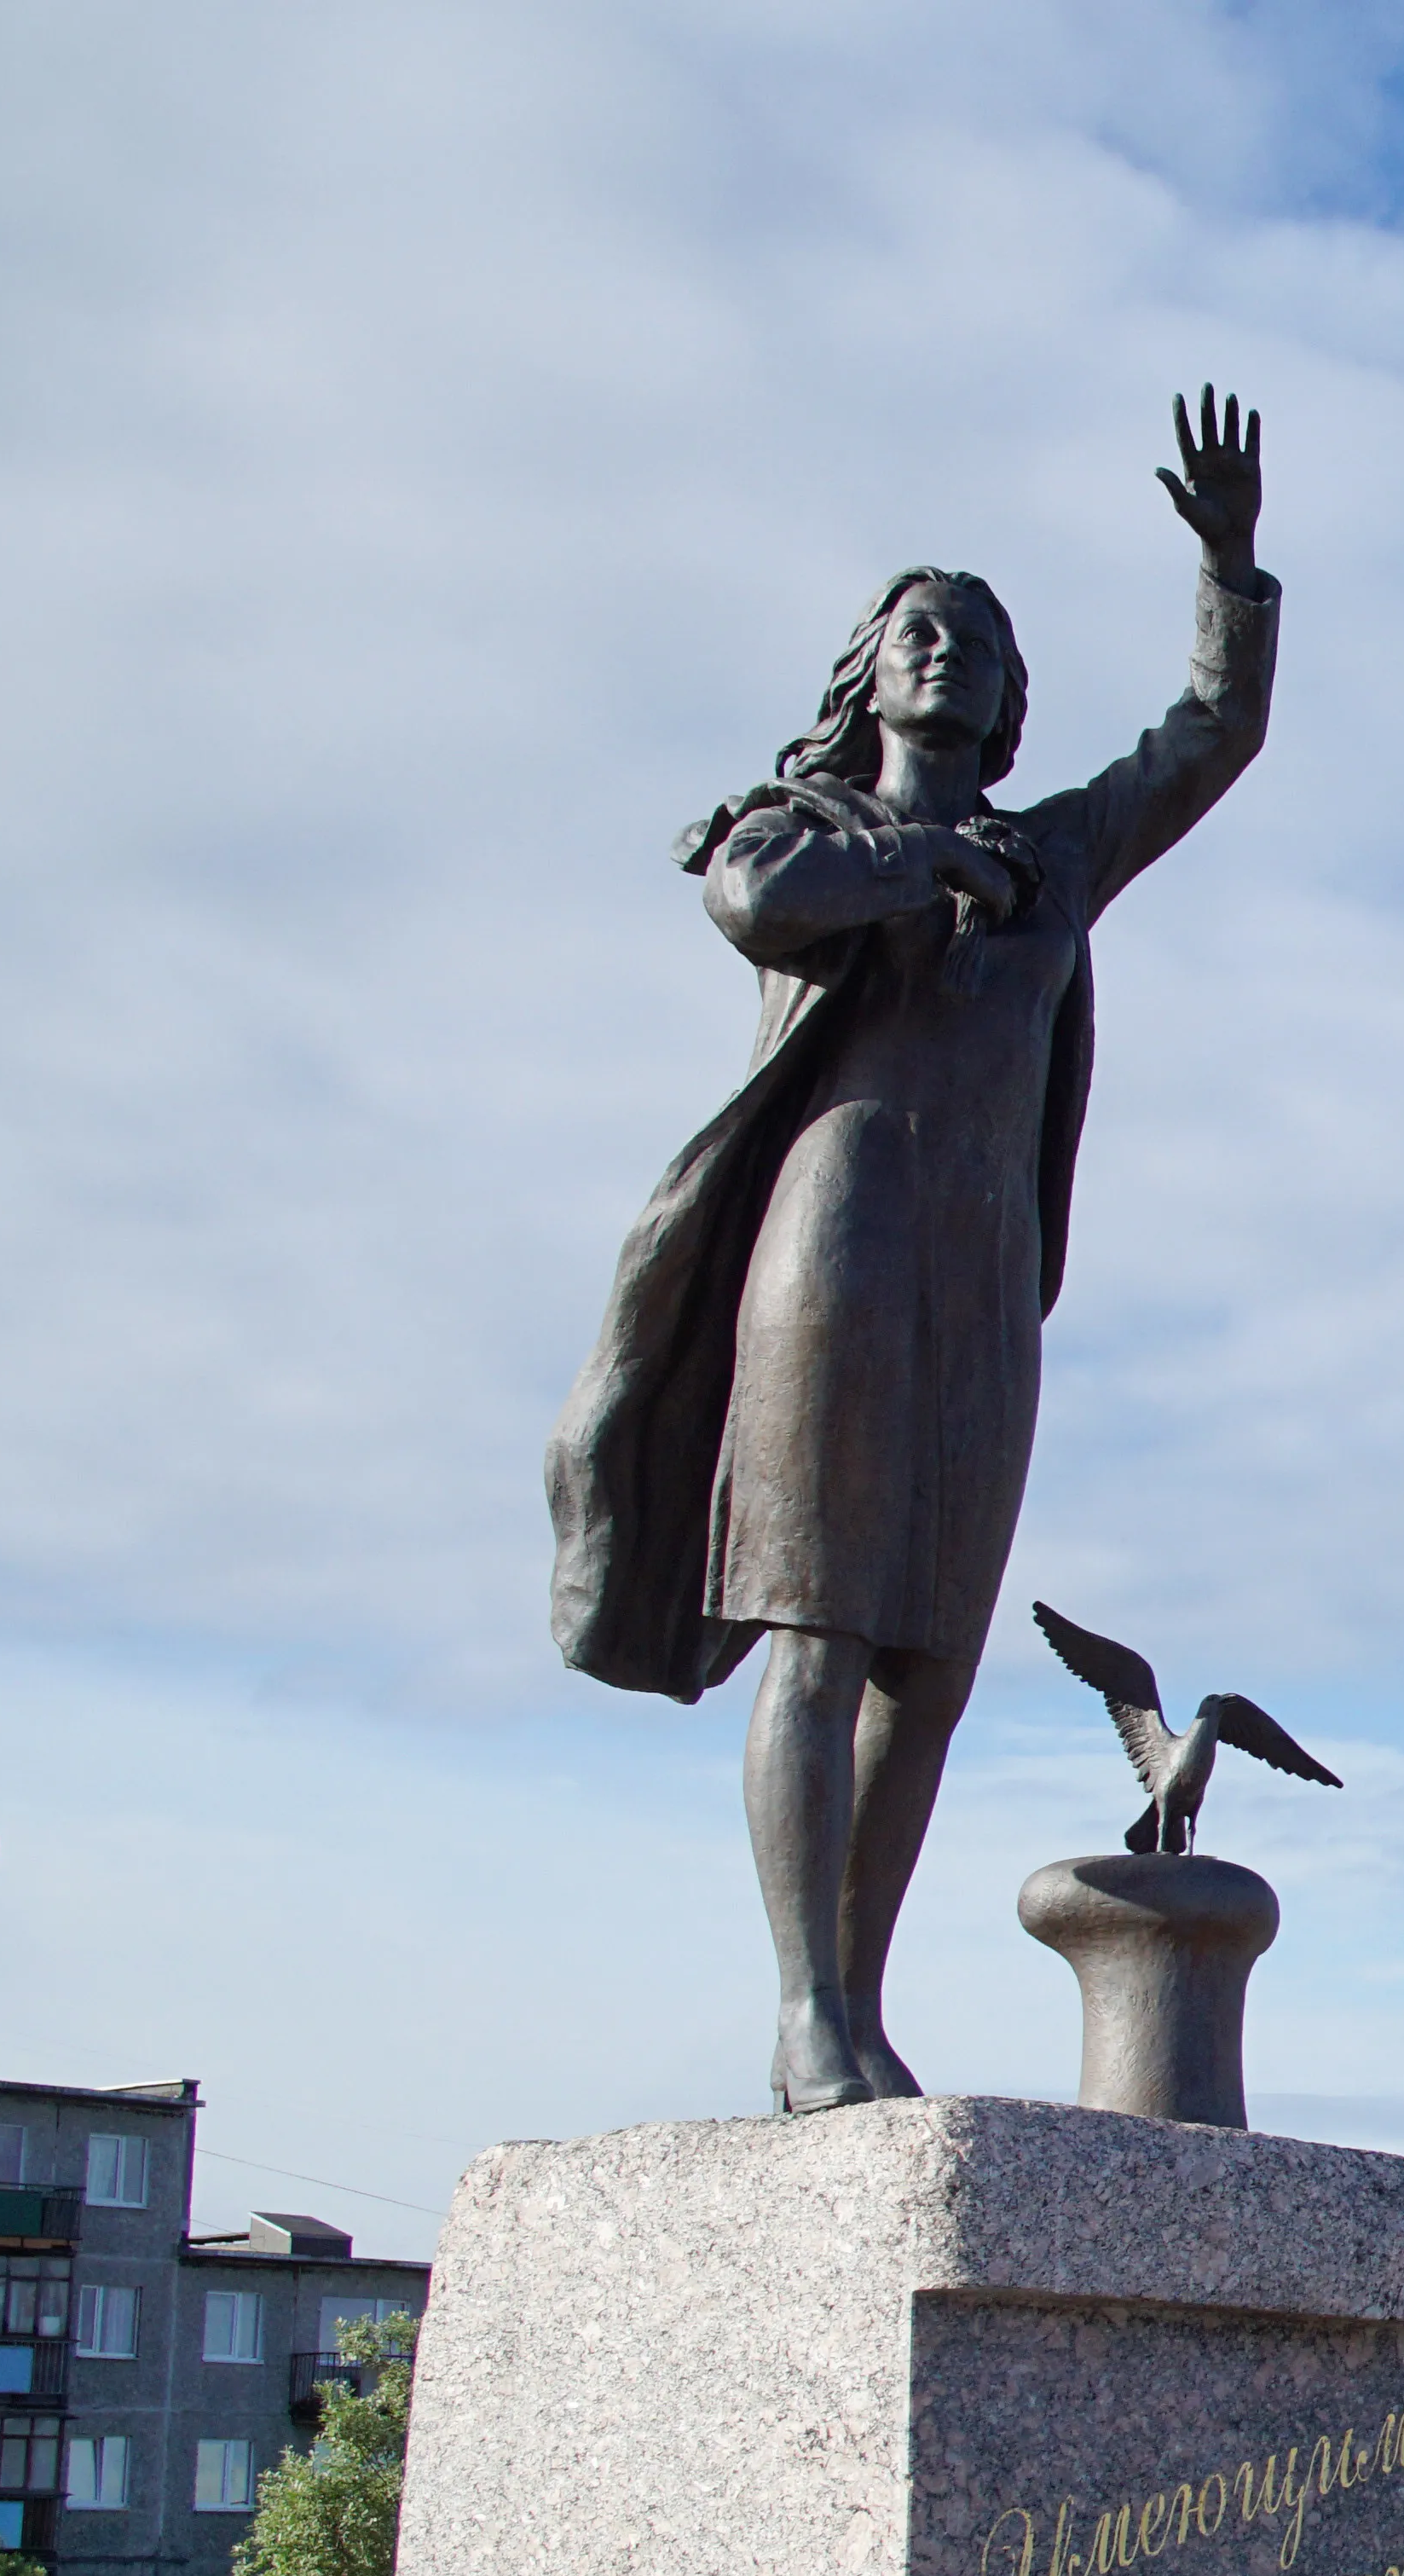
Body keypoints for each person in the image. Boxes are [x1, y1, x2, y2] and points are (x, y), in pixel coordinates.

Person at [546, 391, 1275, 2112]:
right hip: (841, 1232)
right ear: (868, 676)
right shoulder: (799, 834)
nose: (952, 655)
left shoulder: (1054, 857)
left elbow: (1205, 738)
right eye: (920, 634)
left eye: (983, 644)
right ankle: (808, 2009)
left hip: (983, 1273)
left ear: (1017, 705)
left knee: (928, 1661)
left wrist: (1227, 569)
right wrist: (921, 857)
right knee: (816, 1622)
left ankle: (861, 2010)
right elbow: (756, 903)